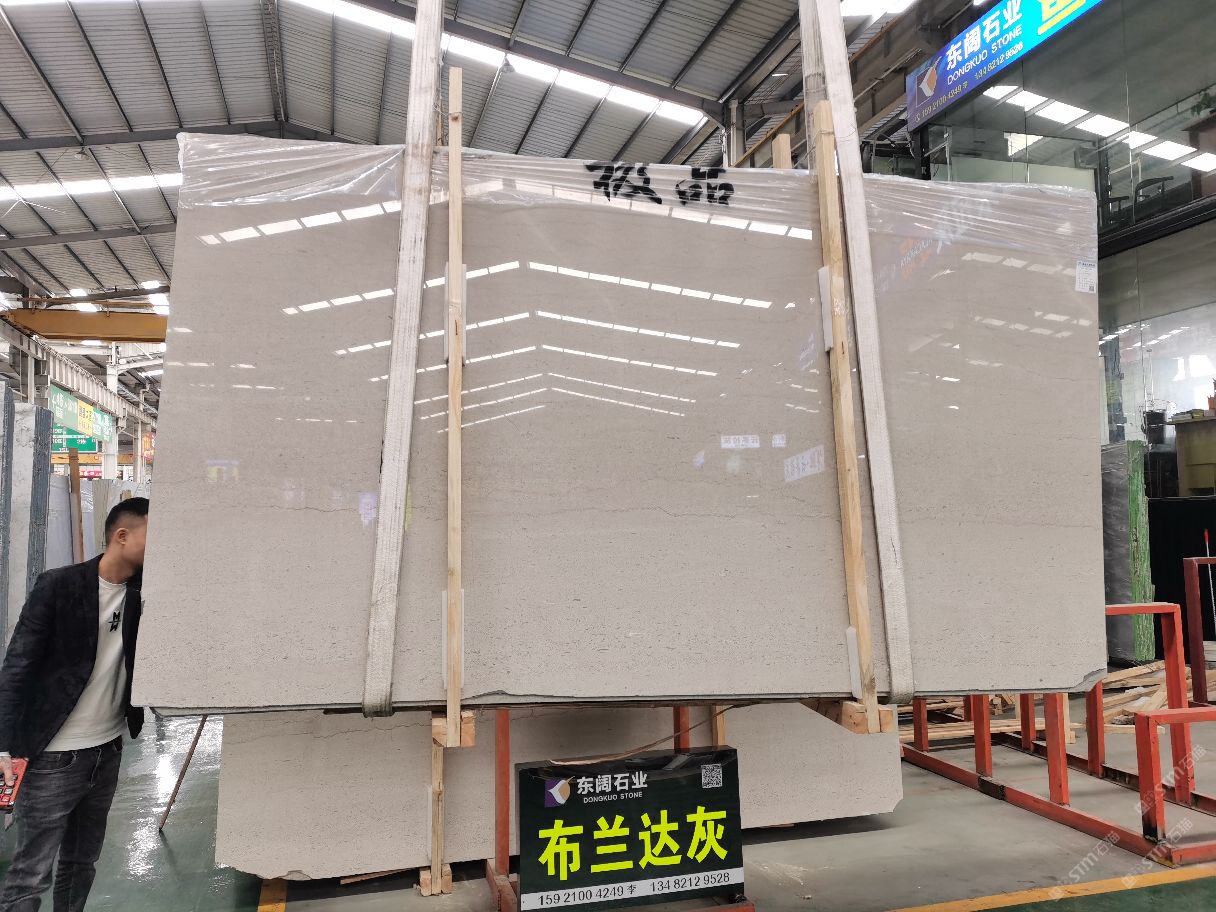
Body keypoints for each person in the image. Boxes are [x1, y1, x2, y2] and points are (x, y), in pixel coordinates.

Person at [0, 497, 148, 912]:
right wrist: (3, 747)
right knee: (31, 873)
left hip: (108, 750)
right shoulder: (58, 586)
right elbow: (17, 666)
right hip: (52, 757)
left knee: (82, 863)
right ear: (122, 536)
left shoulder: (142, 594)